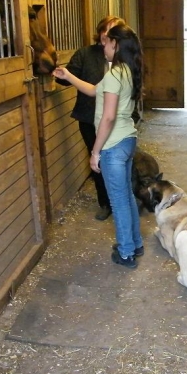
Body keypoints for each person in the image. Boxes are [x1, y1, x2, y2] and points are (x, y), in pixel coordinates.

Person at [53, 24, 144, 269]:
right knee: (126, 195)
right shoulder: (124, 70)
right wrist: (69, 76)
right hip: (127, 140)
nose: (102, 46)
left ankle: (126, 252)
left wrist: (95, 151)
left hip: (113, 145)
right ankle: (134, 243)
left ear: (116, 44)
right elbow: (95, 91)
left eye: (106, 42)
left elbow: (108, 117)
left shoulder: (115, 74)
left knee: (118, 201)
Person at [55, 16, 128, 221]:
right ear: (100, 33)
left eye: (115, 31)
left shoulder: (123, 55)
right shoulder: (85, 54)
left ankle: (124, 199)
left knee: (117, 160)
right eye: (107, 31)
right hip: (89, 117)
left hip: (117, 119)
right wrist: (62, 75)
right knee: (98, 163)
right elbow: (70, 81)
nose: (110, 36)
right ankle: (105, 202)